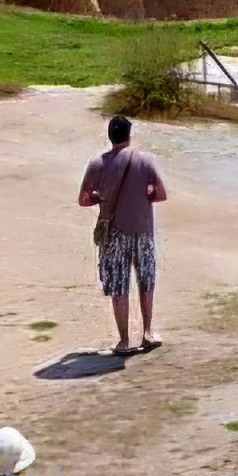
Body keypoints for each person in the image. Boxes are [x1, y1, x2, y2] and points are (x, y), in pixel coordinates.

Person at [78, 114, 168, 356]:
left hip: (114, 233)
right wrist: (143, 195)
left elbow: (83, 199)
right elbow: (160, 194)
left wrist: (99, 198)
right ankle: (148, 333)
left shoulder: (97, 164)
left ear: (110, 136)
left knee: (119, 286)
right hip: (142, 231)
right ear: (129, 135)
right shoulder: (145, 160)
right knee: (145, 281)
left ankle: (124, 340)